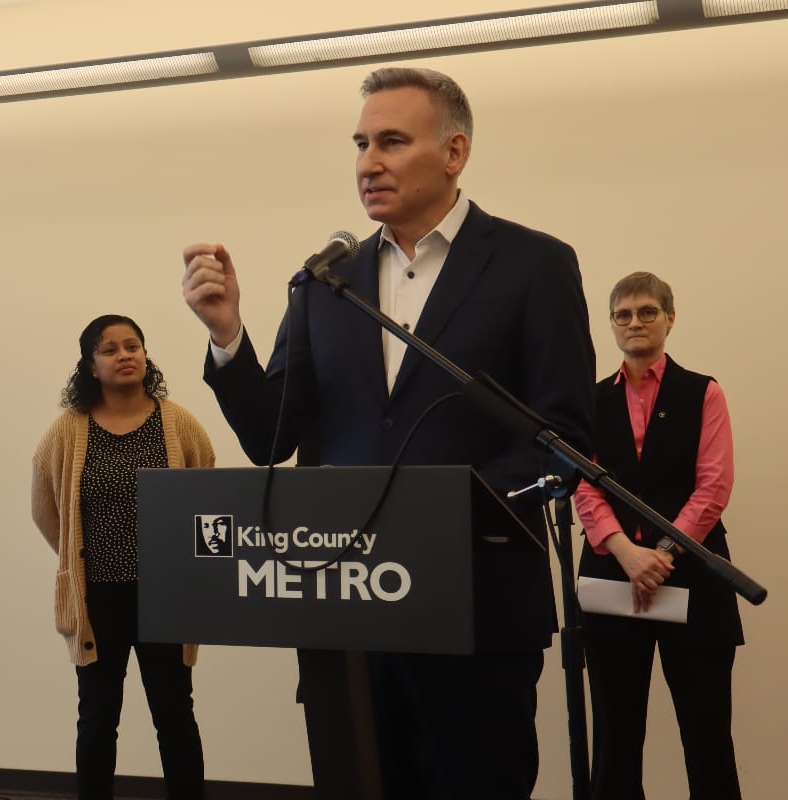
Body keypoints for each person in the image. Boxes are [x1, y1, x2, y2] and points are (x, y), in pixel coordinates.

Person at [180, 67, 595, 799]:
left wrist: (447, 513)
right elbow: (270, 437)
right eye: (361, 144)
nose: (368, 162)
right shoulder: (324, 283)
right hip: (348, 608)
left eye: (392, 142)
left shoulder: (534, 265)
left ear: (455, 152)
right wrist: (227, 337)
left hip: (478, 610)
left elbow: (563, 437)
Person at [30, 315, 215, 800]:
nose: (124, 355)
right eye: (109, 349)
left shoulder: (178, 423)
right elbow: (45, 507)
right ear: (91, 366)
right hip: (97, 599)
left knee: (175, 714)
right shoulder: (67, 431)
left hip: (167, 596)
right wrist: (75, 557)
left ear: (145, 355)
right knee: (97, 717)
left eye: (132, 346)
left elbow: (207, 491)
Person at [574, 272, 743, 800]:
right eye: (622, 315)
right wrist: (626, 552)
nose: (635, 323)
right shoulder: (588, 400)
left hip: (693, 576)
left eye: (647, 311)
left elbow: (713, 488)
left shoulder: (703, 392)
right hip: (611, 575)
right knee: (615, 739)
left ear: (670, 317)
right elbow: (584, 487)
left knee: (707, 737)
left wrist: (662, 553)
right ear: (611, 325)